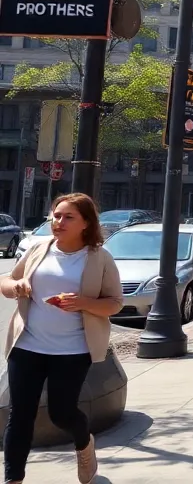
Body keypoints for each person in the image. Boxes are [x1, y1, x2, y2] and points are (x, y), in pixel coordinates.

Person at [1, 193, 121, 484]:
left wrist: (82, 302)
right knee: (20, 416)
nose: (58, 222)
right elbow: (5, 283)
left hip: (72, 350)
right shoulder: (38, 249)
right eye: (56, 215)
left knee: (62, 414)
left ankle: (84, 444)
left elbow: (115, 302)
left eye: (68, 217)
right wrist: (17, 285)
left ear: (85, 223)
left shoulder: (98, 257)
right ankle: (13, 479)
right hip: (27, 345)